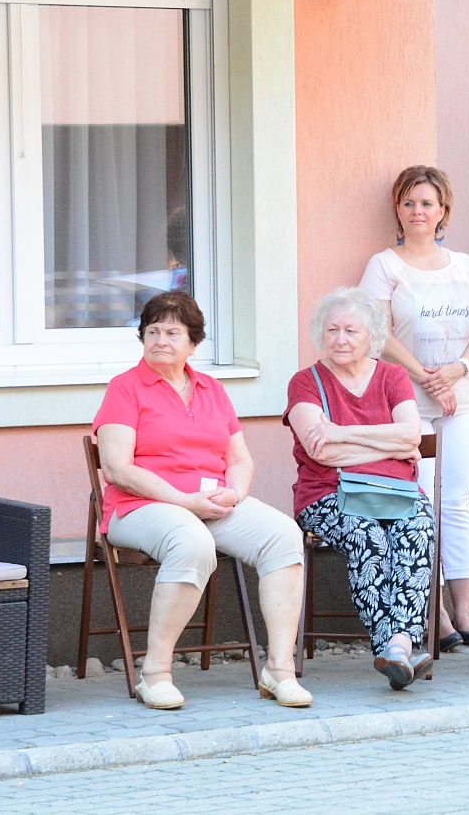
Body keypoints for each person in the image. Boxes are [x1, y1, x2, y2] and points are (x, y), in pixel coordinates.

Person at [92, 290, 309, 710]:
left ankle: (279, 669)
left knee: (283, 536)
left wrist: (236, 492)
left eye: (172, 332)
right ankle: (154, 673)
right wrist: (184, 501)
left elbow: (240, 459)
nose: (160, 340)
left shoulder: (212, 389)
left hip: (208, 501)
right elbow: (117, 468)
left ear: (194, 342)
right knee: (192, 543)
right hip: (140, 506)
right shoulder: (125, 388)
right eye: (152, 331)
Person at [361, 165, 469, 651]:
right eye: (409, 203)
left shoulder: (464, 264)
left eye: (427, 203)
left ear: (444, 212)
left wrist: (456, 369)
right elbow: (377, 333)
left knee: (456, 502)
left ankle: (463, 609)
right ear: (397, 209)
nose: (418, 212)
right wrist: (424, 375)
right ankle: (429, 611)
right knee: (420, 505)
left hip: (461, 397)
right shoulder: (383, 265)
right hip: (406, 400)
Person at [284, 287, 437, 690]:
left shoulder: (392, 376)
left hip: (396, 492)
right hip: (327, 494)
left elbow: (411, 438)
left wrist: (345, 433)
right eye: (332, 330)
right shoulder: (306, 382)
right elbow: (320, 450)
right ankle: (398, 645)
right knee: (367, 535)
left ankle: (396, 647)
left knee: (418, 527)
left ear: (371, 335)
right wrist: (384, 442)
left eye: (351, 330)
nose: (340, 339)